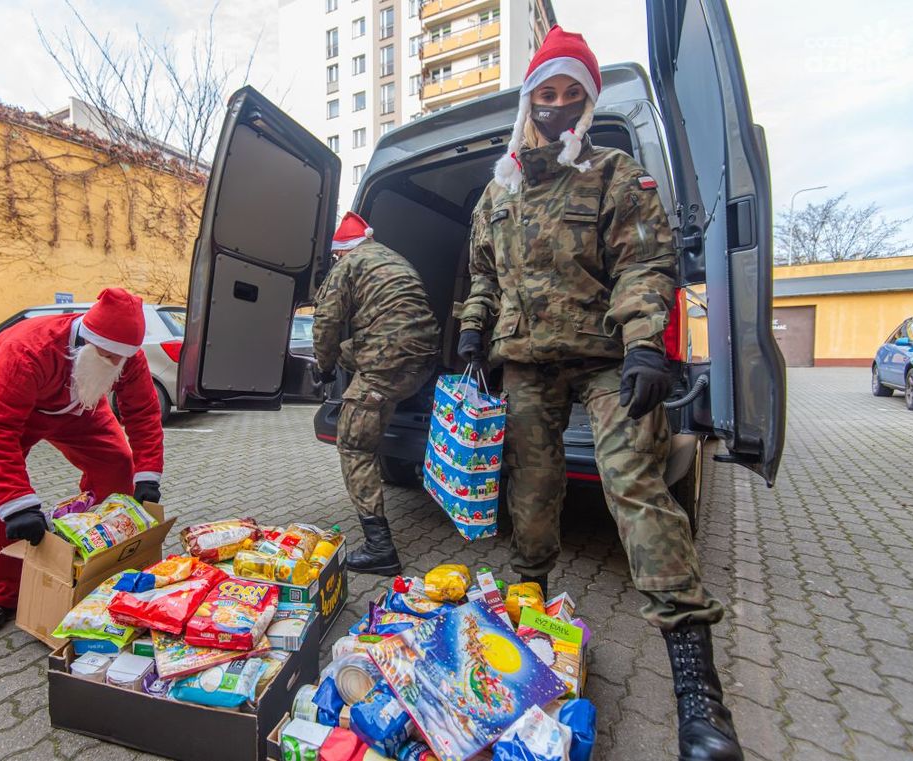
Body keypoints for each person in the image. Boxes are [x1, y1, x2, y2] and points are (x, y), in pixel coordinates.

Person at [457, 26, 742, 761]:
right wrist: (471, 334)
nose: (556, 106)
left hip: (604, 358)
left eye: (570, 94)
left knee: (633, 484)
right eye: (545, 93)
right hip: (524, 362)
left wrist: (648, 340)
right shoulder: (499, 188)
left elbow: (645, 264)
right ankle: (530, 609)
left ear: (588, 102)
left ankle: (697, 691)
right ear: (529, 100)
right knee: (531, 488)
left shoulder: (616, 174)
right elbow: (483, 276)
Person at [0, 288, 164, 637]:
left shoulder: (126, 358)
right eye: (108, 356)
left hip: (76, 404)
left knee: (116, 463)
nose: (116, 365)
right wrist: (17, 504)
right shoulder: (29, 349)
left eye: (123, 358)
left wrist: (148, 475)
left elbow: (143, 413)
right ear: (86, 341)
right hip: (0, 406)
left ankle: (97, 556)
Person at [312, 212, 440, 575]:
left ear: (342, 251)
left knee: (353, 446)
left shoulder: (346, 265)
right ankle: (401, 401)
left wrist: (323, 368)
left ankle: (380, 548)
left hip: (388, 365)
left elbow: (326, 323)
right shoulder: (394, 259)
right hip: (424, 360)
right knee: (350, 349)